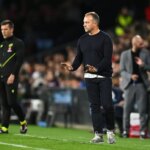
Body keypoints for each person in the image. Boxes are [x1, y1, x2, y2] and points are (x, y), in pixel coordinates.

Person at [61, 12, 115, 144]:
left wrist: (96, 68)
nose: (84, 24)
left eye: (87, 22)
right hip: (89, 77)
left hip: (104, 76)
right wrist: (72, 67)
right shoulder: (82, 39)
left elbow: (107, 59)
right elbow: (79, 57)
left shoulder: (106, 38)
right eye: (84, 22)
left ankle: (110, 130)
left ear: (95, 23)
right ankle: (98, 134)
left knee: (107, 105)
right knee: (94, 106)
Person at [120, 35, 150, 139]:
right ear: (134, 43)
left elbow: (149, 67)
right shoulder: (125, 54)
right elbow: (122, 71)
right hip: (129, 85)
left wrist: (142, 65)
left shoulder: (146, 53)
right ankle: (125, 131)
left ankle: (142, 132)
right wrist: (130, 76)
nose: (142, 45)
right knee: (127, 109)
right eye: (140, 43)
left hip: (142, 85)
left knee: (143, 110)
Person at [0, 20, 27, 134]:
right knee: (4, 104)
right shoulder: (2, 44)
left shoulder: (18, 43)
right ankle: (4, 128)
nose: (3, 32)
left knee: (12, 102)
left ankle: (23, 122)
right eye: (2, 30)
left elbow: (19, 60)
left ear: (12, 29)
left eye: (6, 29)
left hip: (11, 77)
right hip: (1, 77)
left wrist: (13, 75)